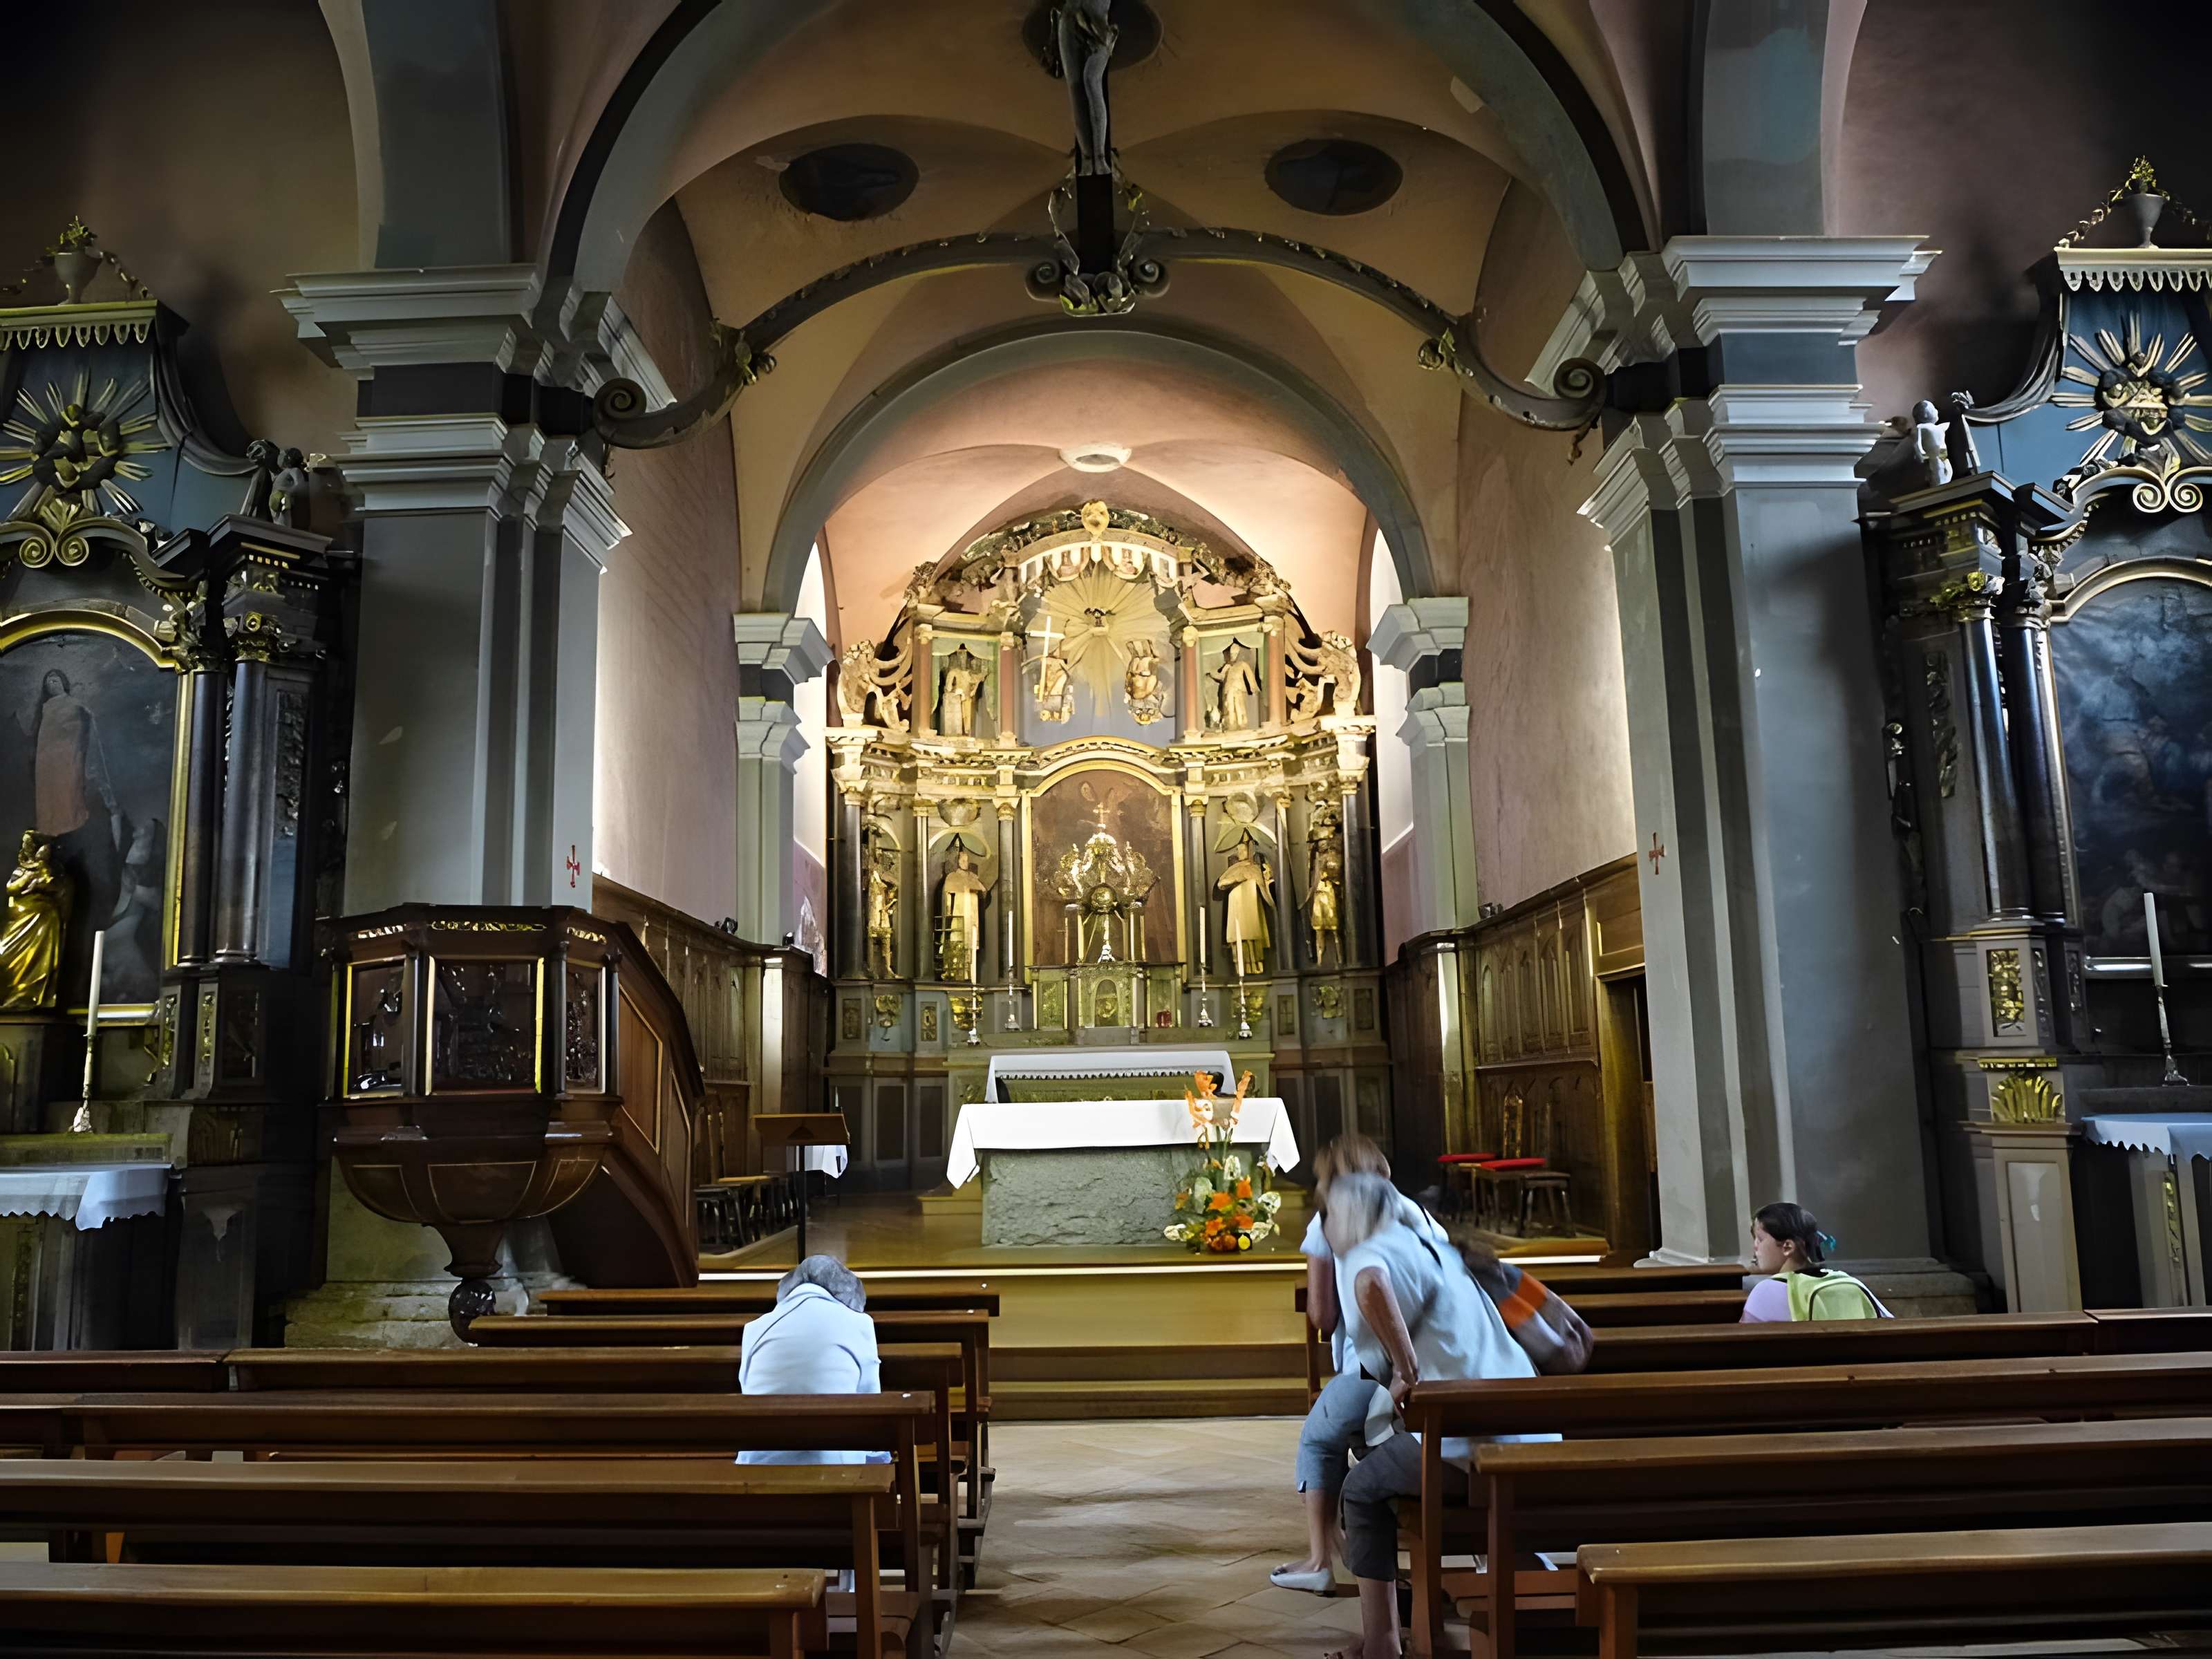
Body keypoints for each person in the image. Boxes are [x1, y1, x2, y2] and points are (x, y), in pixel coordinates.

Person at [1322, 1172, 1546, 1659]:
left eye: (1331, 1215)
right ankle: (1531, 1589)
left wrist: (1406, 1367)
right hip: (1531, 1426)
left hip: (1468, 1439)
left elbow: (1371, 1284)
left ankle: (1381, 1642)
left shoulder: (1369, 1251)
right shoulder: (1431, 1245)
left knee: (1360, 1491)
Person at [1272, 1135, 1450, 1595]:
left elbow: (1324, 1315)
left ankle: (1318, 1561)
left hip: (1373, 1369)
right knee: (1376, 1443)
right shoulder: (1420, 1216)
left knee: (1318, 1438)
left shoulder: (1331, 1221)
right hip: (1443, 1370)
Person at [735, 1255, 885, 1464]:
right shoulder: (859, 1324)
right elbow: (871, 1406)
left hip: (760, 1463)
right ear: (848, 1292)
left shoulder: (755, 1328)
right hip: (835, 1466)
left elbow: (748, 1390)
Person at [1741, 1201, 1890, 1322]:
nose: (1755, 1247)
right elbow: (1888, 1322)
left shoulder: (1766, 1291)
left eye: (1759, 1239)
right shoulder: (1847, 1280)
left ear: (1787, 1247)